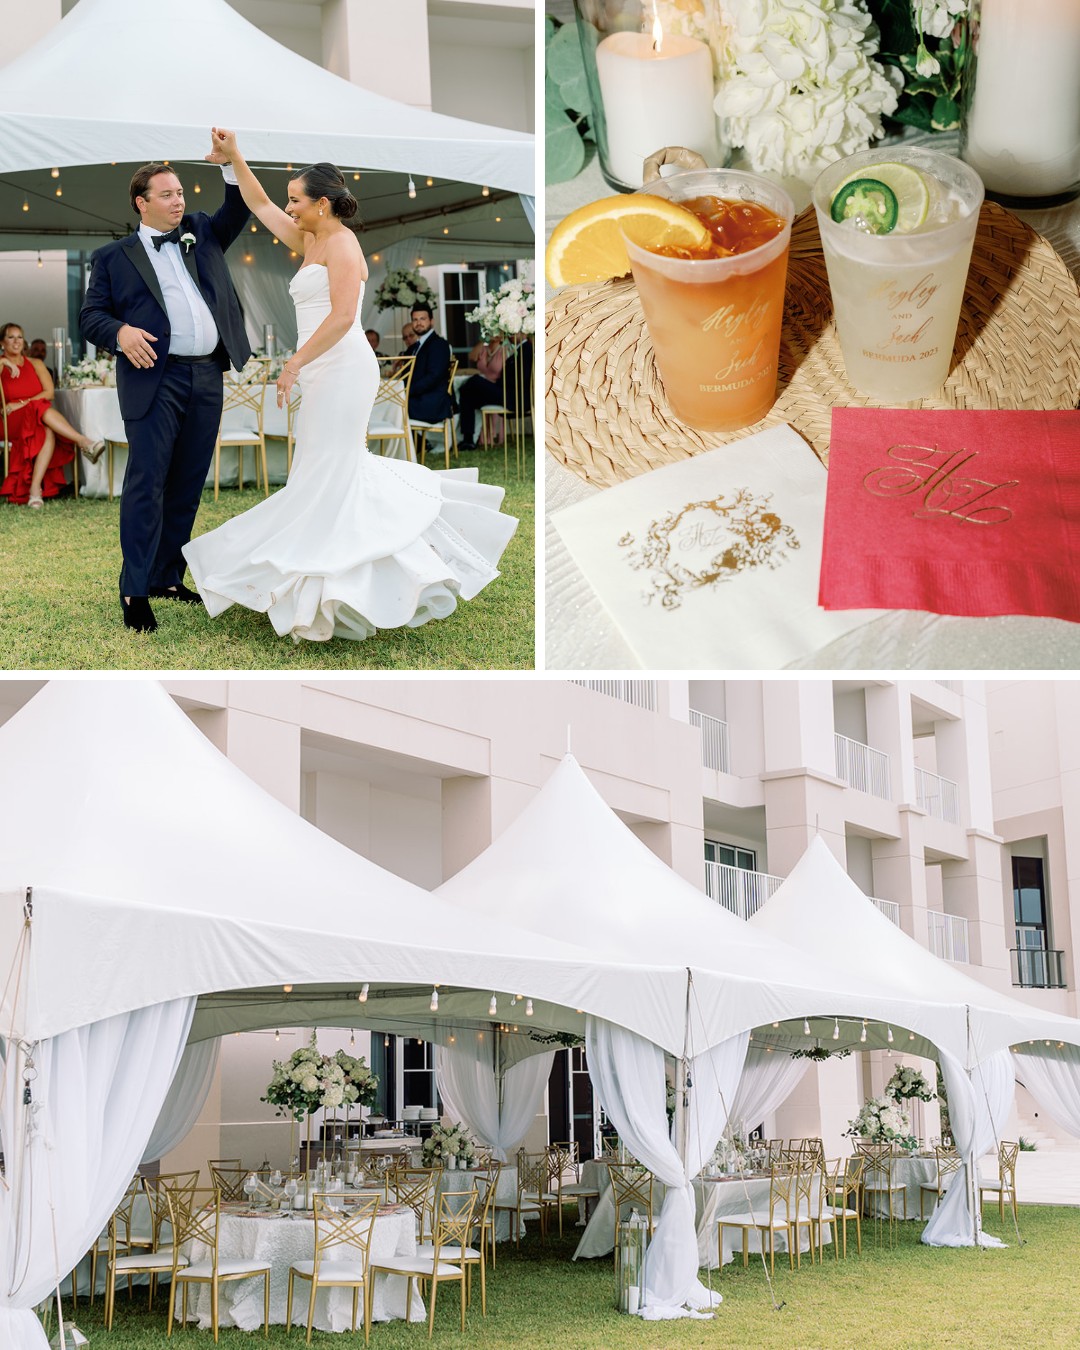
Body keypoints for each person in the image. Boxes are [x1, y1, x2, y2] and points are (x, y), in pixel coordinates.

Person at [182, 128, 517, 644]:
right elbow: (259, 203)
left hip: (341, 368)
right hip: (321, 368)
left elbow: (341, 318)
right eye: (290, 200)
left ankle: (341, 586)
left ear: (321, 203)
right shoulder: (310, 238)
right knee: (320, 474)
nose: (289, 208)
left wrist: (294, 362)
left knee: (330, 471)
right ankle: (327, 584)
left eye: (297, 200)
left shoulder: (342, 243)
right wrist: (234, 160)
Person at [79, 157, 252, 632]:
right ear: (142, 202)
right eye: (168, 195)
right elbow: (90, 317)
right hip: (155, 376)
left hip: (207, 376)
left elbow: (238, 209)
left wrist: (232, 163)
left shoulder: (201, 231)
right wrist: (120, 332)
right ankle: (135, 589)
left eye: (180, 193)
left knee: (188, 482)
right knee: (146, 483)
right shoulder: (113, 257)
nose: (179, 201)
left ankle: (167, 576)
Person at [0, 322, 105, 507]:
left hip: (32, 415)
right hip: (9, 420)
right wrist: (4, 361)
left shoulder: (36, 363)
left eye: (19, 337)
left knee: (46, 424)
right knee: (40, 407)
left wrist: (21, 404)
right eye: (11, 337)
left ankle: (34, 491)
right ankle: (84, 442)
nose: (16, 341)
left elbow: (49, 393)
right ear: (2, 342)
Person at [458, 334, 533, 451]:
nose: (510, 335)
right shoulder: (519, 349)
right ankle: (468, 440)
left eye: (513, 332)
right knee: (469, 396)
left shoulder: (527, 349)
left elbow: (521, 378)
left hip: (515, 398)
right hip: (504, 391)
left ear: (524, 333)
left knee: (474, 381)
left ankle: (458, 397)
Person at [404, 303, 453, 424]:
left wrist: (406, 391)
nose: (418, 323)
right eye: (415, 319)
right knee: (388, 404)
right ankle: (417, 443)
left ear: (432, 321)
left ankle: (417, 443)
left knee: (391, 408)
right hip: (416, 399)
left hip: (432, 403)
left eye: (422, 319)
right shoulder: (414, 347)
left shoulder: (439, 345)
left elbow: (433, 377)